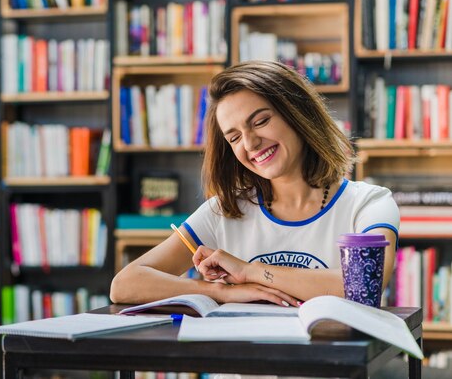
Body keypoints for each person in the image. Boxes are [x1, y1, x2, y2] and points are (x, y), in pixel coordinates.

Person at [110, 61, 399, 307]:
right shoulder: (224, 211)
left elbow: (364, 287)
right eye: (234, 137)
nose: (250, 143)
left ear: (297, 115)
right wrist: (220, 293)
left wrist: (250, 272)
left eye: (260, 121)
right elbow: (125, 284)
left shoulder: (369, 204)